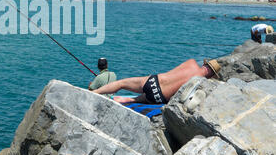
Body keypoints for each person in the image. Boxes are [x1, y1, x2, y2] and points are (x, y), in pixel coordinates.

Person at [92, 59, 221, 105]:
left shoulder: (191, 63)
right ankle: (128, 101)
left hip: (153, 82)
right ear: (211, 75)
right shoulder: (202, 82)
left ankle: (94, 93)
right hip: (159, 98)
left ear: (205, 64)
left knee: (121, 83)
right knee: (135, 100)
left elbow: (175, 71)